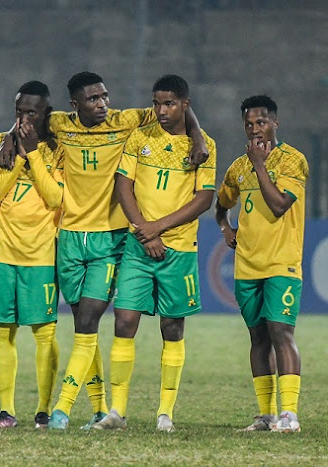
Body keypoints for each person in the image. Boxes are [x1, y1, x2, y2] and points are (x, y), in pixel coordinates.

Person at [3, 72, 209, 430]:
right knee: (84, 326)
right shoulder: (60, 124)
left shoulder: (126, 121)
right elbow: (30, 116)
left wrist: (199, 136)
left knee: (88, 321)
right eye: (94, 99)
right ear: (74, 106)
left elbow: (176, 111)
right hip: (69, 235)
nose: (103, 104)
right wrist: (9, 138)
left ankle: (62, 410)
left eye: (105, 97)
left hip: (110, 237)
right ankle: (101, 409)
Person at [92, 74, 216, 432]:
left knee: (172, 326)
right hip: (139, 246)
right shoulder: (140, 137)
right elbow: (123, 187)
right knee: (124, 320)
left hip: (179, 249)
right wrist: (145, 233)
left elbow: (203, 199)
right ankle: (117, 411)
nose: (161, 110)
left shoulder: (203, 146)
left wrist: (157, 228)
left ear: (185, 105)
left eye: (169, 103)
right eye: (157, 103)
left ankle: (165, 413)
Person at [215, 95, 308, 433]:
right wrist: (226, 228)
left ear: (275, 123)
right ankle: (267, 415)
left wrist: (259, 165)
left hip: (282, 263)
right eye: (250, 123)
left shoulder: (292, 161)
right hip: (247, 266)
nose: (255, 128)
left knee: (281, 332)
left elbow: (281, 204)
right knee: (258, 339)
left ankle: (290, 414)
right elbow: (221, 203)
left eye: (262, 122)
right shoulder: (238, 168)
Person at [0, 81, 63, 430]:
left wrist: (31, 154)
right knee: (3, 333)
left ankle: (42, 412)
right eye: (19, 111)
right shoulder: (1, 143)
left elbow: (56, 197)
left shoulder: (58, 147)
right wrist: (14, 162)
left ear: (46, 113)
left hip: (41, 253)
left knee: (44, 334)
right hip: (1, 252)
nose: (24, 118)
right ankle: (6, 412)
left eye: (32, 112)